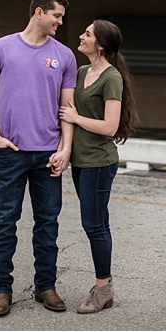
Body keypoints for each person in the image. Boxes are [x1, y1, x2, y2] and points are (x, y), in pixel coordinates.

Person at [0, 0, 77, 317]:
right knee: (5, 222)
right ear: (38, 12)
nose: (61, 22)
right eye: (56, 15)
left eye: (61, 16)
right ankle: (1, 290)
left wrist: (65, 150)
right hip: (11, 153)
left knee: (48, 224)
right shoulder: (1, 48)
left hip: (48, 155)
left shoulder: (64, 56)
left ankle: (45, 286)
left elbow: (67, 109)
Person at [59, 19, 138, 314]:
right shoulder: (82, 72)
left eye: (87, 34)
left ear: (101, 44)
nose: (81, 36)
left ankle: (103, 289)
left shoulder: (111, 78)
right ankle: (104, 286)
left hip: (99, 163)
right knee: (97, 223)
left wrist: (76, 118)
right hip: (81, 161)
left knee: (94, 225)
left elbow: (109, 126)